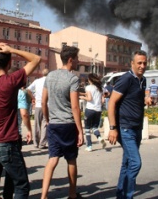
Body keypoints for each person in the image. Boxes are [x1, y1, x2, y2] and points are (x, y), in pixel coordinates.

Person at [0, 43, 40, 199]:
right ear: (10, 63)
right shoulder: (11, 81)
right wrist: (11, 50)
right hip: (6, 142)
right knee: (21, 185)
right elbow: (36, 59)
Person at [40, 46, 83, 199]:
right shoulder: (73, 79)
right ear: (71, 59)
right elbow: (75, 106)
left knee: (52, 159)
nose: (79, 61)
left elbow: (43, 101)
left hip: (54, 124)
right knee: (71, 160)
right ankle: (72, 194)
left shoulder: (50, 76)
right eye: (77, 58)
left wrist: (47, 120)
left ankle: (43, 196)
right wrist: (80, 130)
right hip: (68, 125)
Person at [108, 50, 151, 199]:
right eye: (139, 63)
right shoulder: (126, 79)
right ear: (132, 63)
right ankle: (127, 196)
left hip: (137, 127)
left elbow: (135, 98)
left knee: (127, 163)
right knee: (135, 163)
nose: (142, 66)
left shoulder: (142, 80)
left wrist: (145, 99)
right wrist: (113, 128)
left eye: (144, 63)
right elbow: (111, 102)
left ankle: (121, 195)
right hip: (125, 128)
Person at [80, 73, 106, 152]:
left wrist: (82, 97)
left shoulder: (88, 87)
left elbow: (90, 98)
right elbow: (103, 100)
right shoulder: (100, 88)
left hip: (90, 109)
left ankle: (89, 146)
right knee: (95, 127)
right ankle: (100, 138)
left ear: (90, 80)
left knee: (87, 128)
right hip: (98, 110)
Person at [27, 69, 49, 149]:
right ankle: (42, 143)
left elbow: (28, 89)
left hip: (38, 104)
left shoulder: (37, 81)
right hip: (47, 105)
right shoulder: (50, 81)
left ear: (42, 74)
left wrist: (33, 98)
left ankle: (36, 142)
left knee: (37, 124)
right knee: (45, 124)